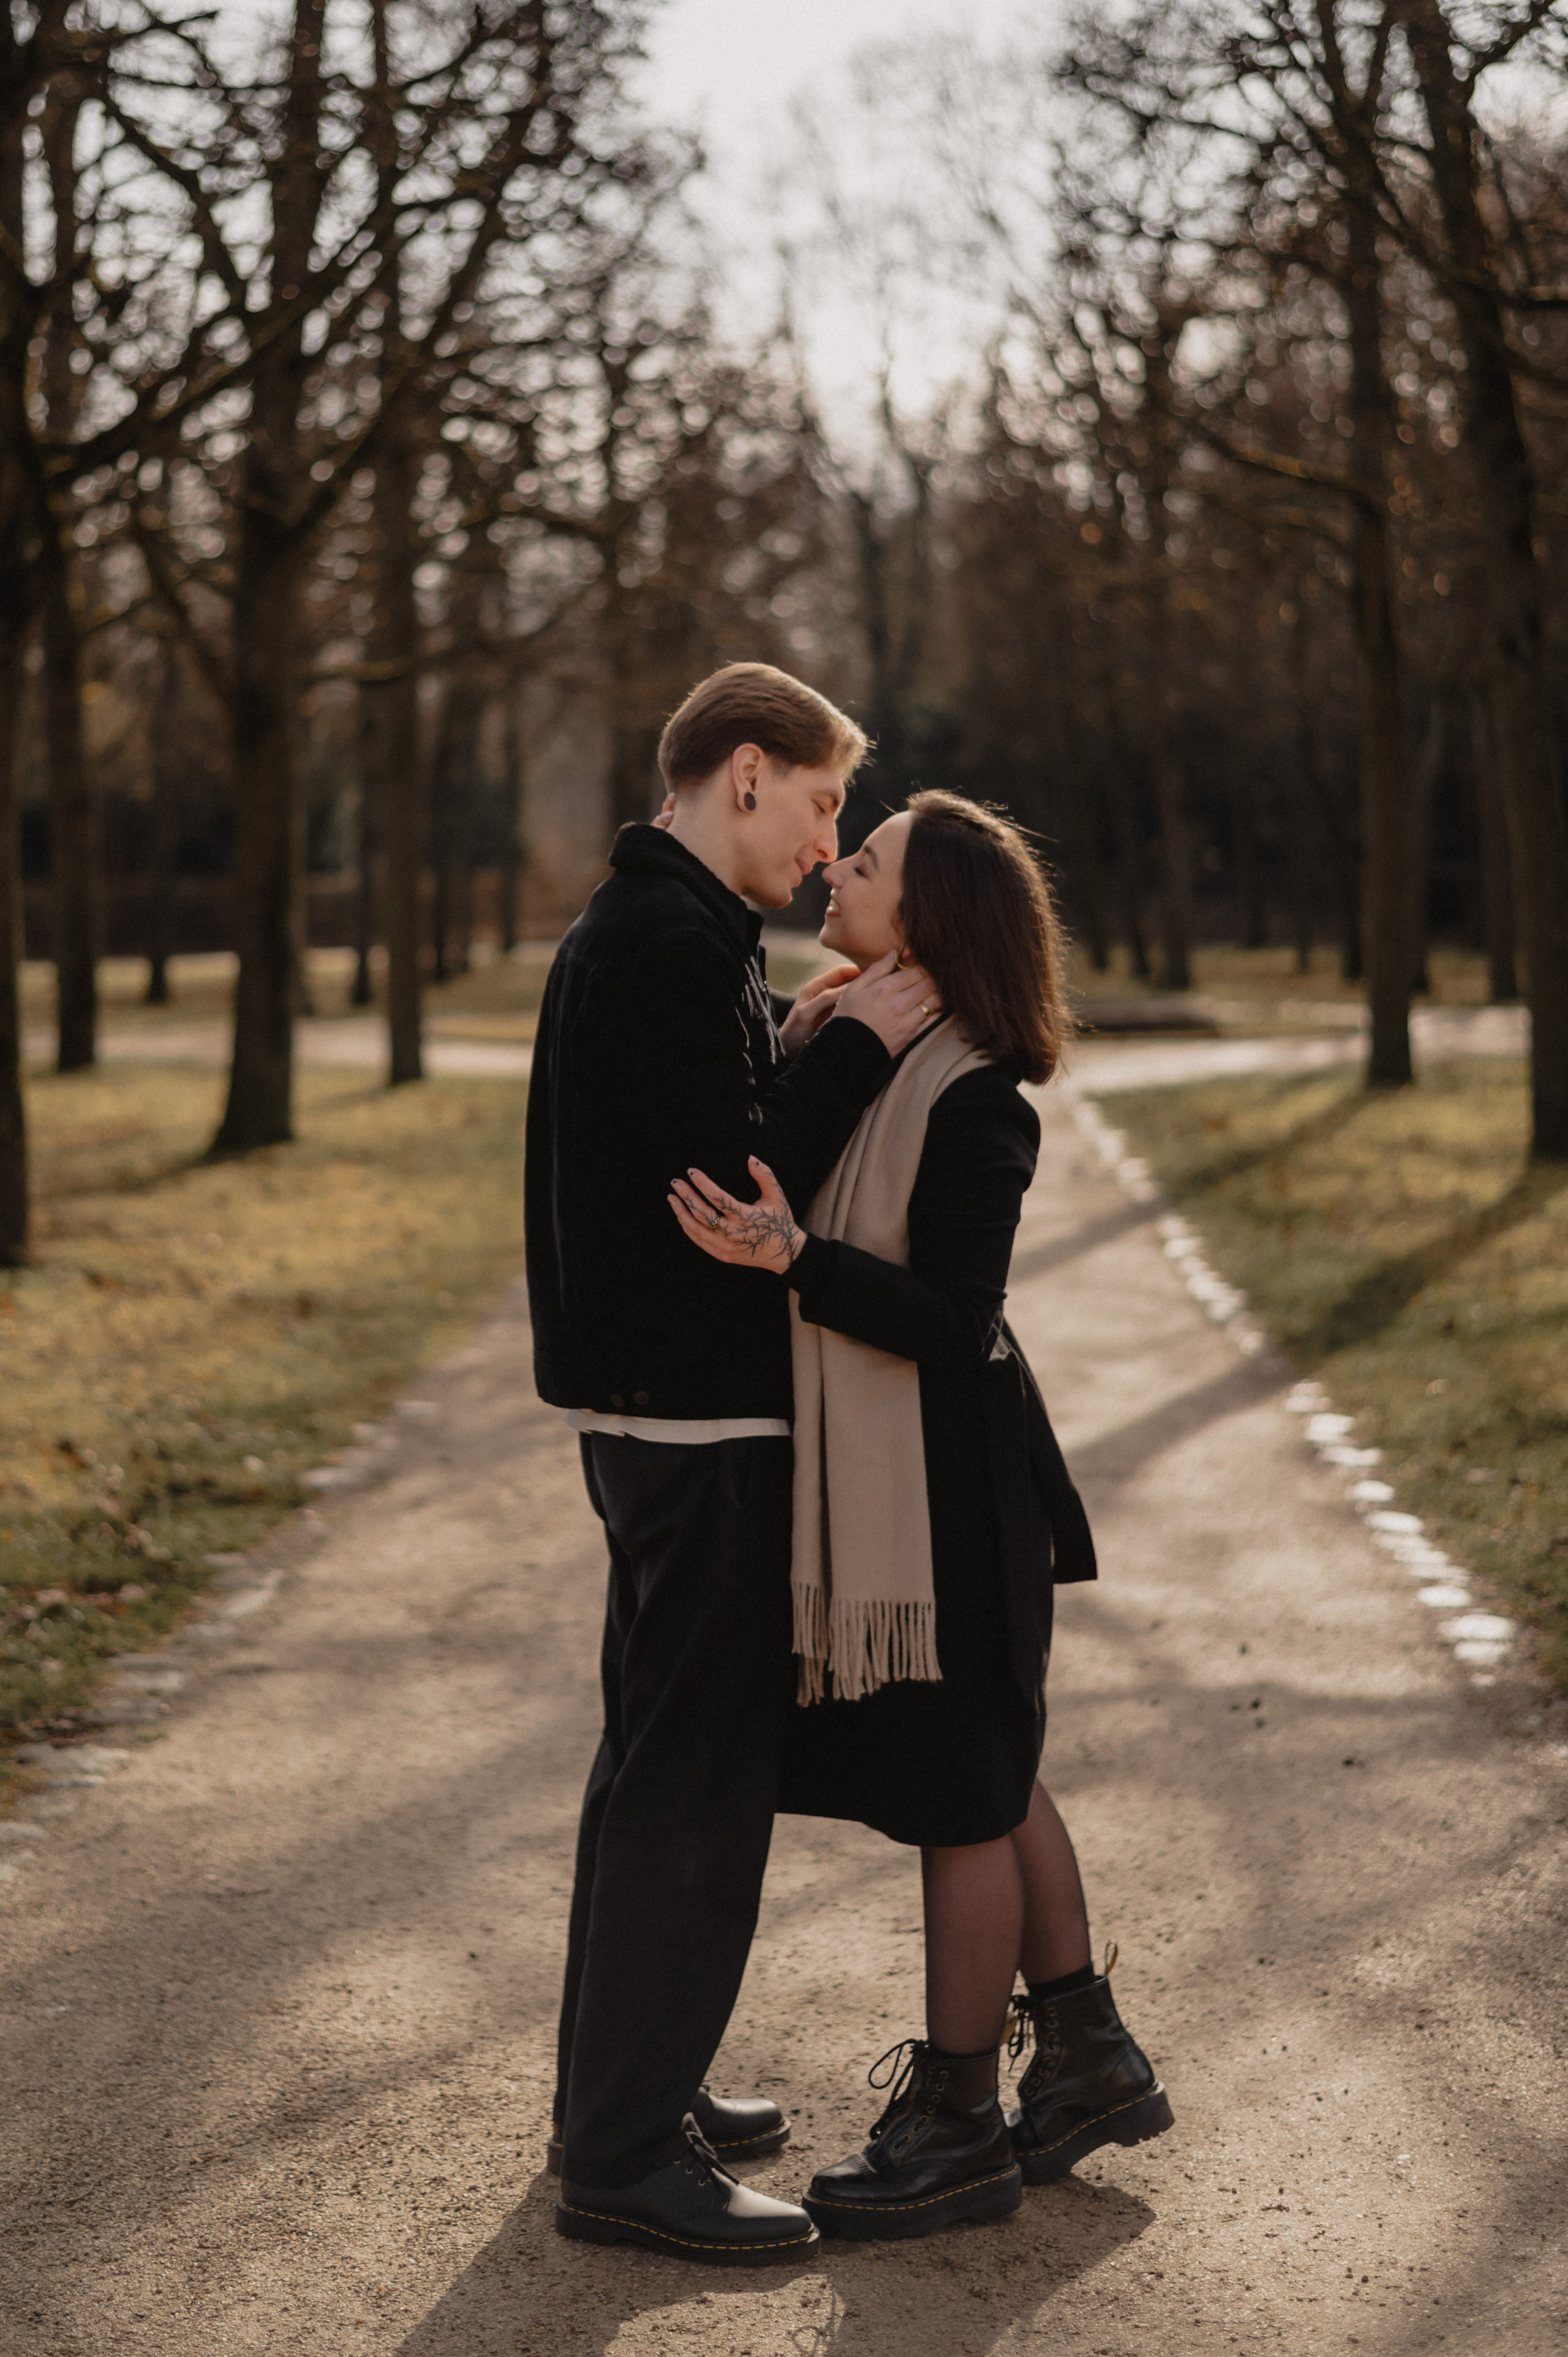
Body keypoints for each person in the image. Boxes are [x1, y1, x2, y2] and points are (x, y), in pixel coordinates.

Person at [671, 790, 1173, 2242]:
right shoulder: (845, 1040)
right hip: (908, 1480)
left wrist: (793, 1259)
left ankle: (957, 2117)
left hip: (954, 1493)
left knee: (964, 1790)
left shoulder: (972, 1100)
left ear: (930, 919)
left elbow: (955, 1325)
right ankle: (1082, 2052)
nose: (834, 865)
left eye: (867, 861)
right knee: (990, 1769)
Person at [526, 662, 941, 2263]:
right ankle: (626, 2154)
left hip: (654, 1408)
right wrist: (859, 1046)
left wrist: (800, 1019)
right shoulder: (658, 941)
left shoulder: (664, 933)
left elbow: (699, 1096)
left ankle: (627, 2089)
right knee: (698, 1784)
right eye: (826, 802)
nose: (830, 843)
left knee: (648, 1766)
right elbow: (734, 1174)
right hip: (692, 1414)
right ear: (747, 775)